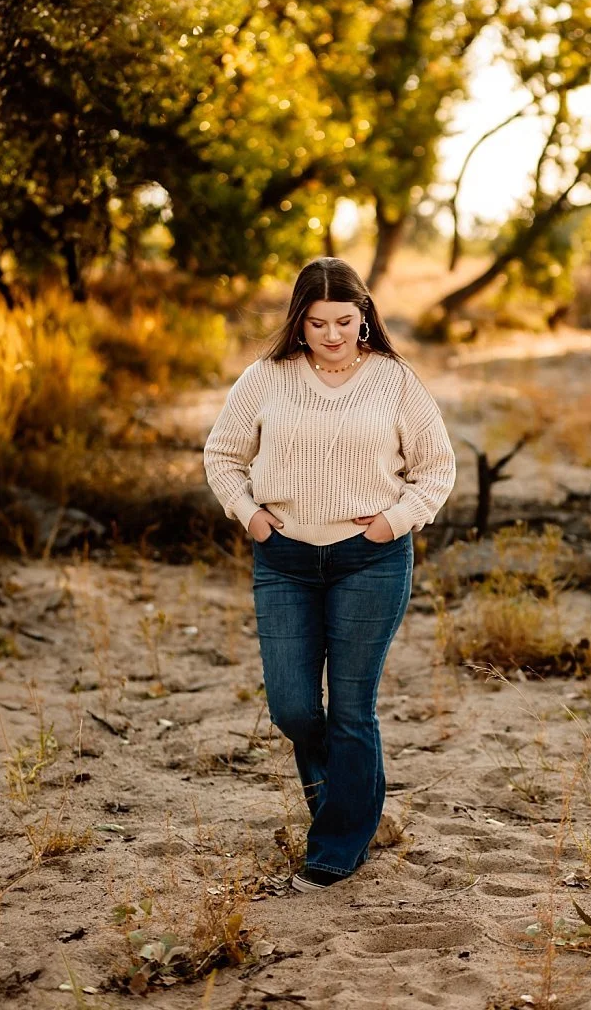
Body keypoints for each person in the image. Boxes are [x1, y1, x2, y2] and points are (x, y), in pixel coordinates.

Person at [203, 256, 457, 892]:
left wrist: (392, 523)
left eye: (345, 320)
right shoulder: (265, 378)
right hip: (283, 559)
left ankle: (339, 841)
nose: (333, 334)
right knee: (292, 707)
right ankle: (354, 805)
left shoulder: (395, 381)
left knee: (351, 711)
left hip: (369, 559)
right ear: (300, 322)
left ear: (364, 317)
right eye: (318, 323)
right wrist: (250, 516)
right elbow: (223, 454)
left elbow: (437, 467)